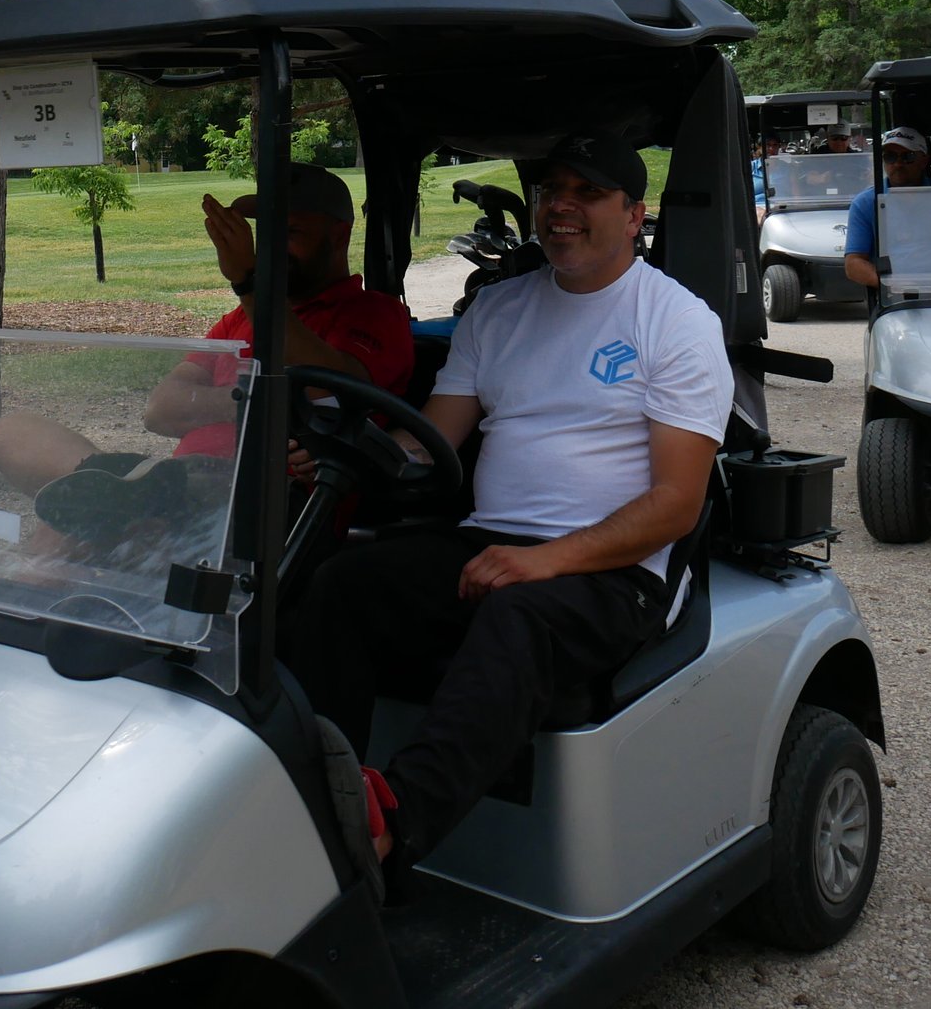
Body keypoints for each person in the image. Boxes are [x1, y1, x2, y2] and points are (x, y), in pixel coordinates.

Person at [282, 131, 732, 893]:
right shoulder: (499, 308)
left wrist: (547, 559)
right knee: (340, 583)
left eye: (587, 192)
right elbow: (430, 441)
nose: (561, 206)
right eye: (552, 189)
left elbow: (675, 505)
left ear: (634, 215)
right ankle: (311, 798)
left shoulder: (677, 321)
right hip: (495, 542)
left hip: (616, 571)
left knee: (518, 613)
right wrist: (344, 450)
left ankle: (391, 827)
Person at [0, 164, 414, 528]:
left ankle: (124, 502)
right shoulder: (239, 319)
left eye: (292, 231)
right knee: (13, 431)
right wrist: (258, 405)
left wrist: (248, 285)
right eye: (265, 233)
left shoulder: (375, 314)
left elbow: (333, 389)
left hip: (268, 502)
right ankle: (125, 495)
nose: (270, 248)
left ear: (338, 237)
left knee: (81, 527)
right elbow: (161, 410)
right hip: (173, 481)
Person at [841, 127, 931, 291]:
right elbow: (853, 263)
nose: (898, 164)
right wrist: (892, 284)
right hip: (895, 295)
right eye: (890, 157)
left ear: (924, 160)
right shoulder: (866, 203)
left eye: (908, 157)